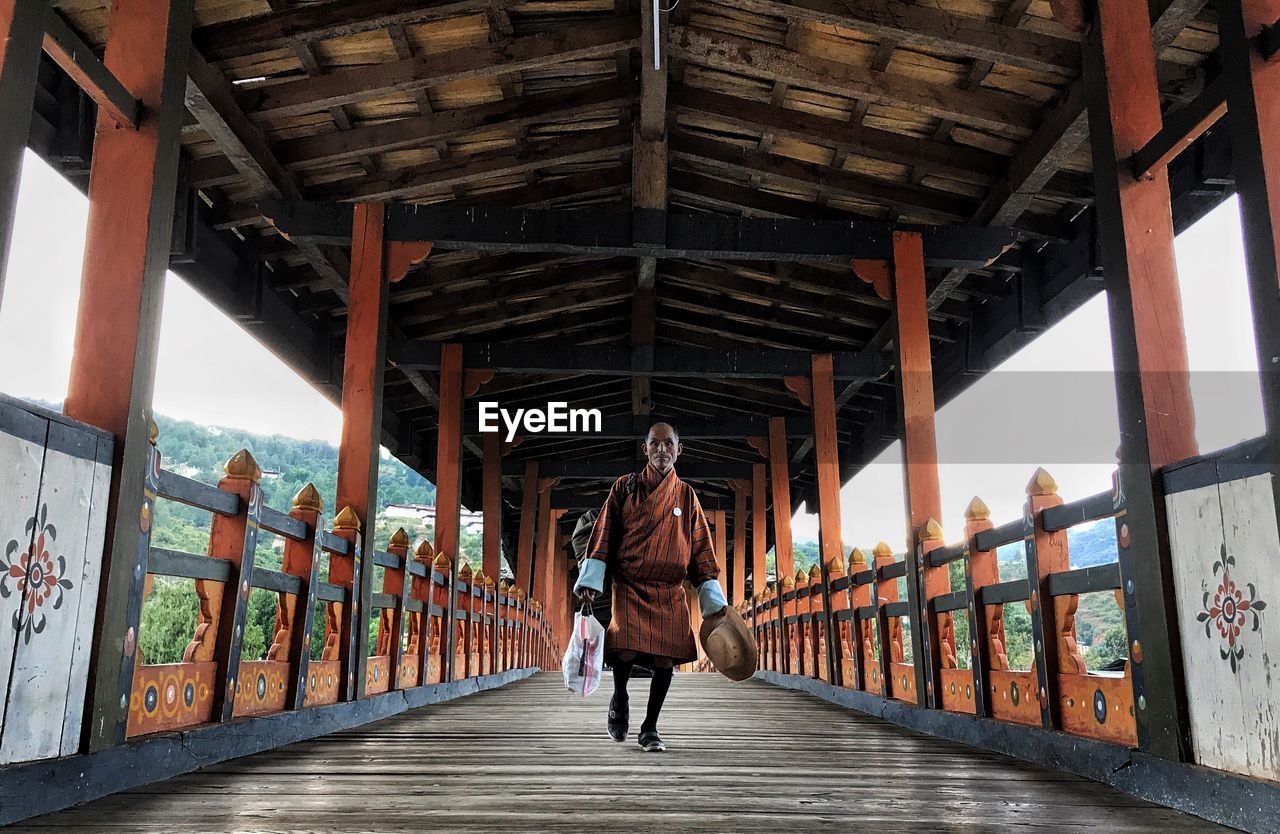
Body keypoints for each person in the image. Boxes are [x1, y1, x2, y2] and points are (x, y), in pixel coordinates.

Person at [573, 422, 727, 752]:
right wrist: (591, 580)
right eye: (654, 444)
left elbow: (700, 544)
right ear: (645, 449)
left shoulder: (686, 496)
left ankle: (650, 727)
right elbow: (603, 533)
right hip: (629, 584)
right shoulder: (624, 488)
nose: (661, 450)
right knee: (624, 647)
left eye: (668, 444)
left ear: (678, 450)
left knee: (666, 658)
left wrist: (710, 595)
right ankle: (621, 697)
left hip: (670, 590)